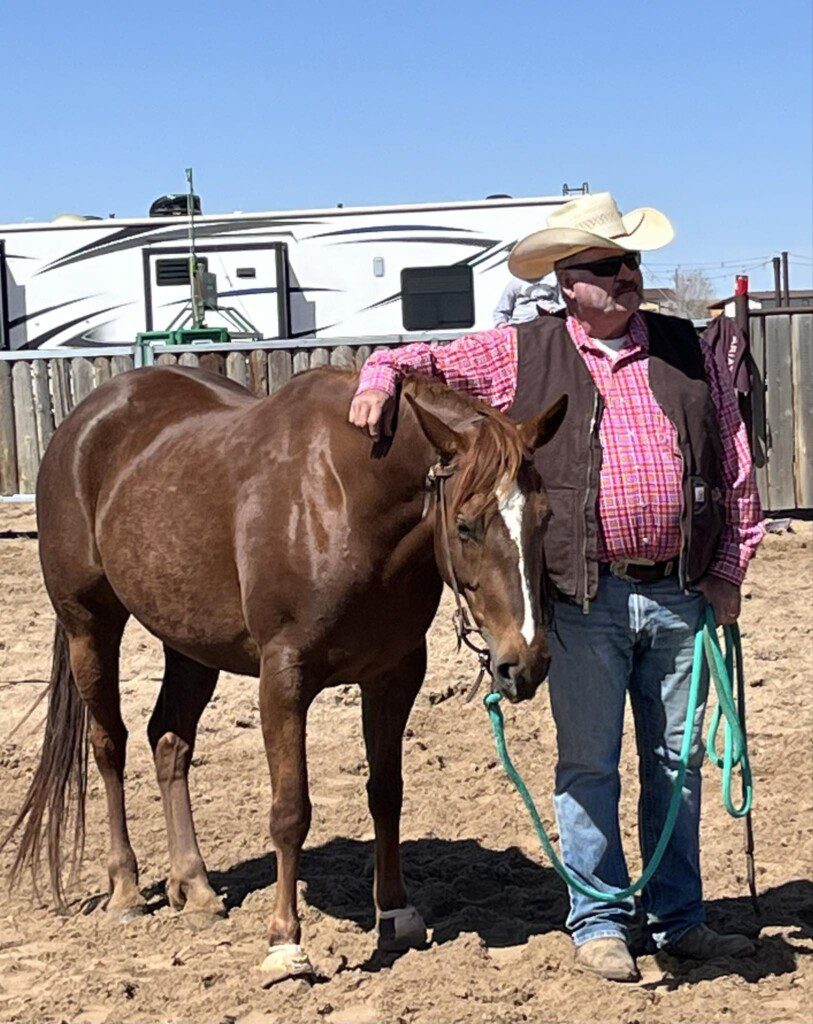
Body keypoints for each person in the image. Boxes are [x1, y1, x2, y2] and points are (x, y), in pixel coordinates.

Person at [348, 192, 764, 982]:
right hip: (583, 594)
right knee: (589, 765)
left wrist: (728, 568)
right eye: (606, 266)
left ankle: (678, 919)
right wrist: (376, 378)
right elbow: (412, 359)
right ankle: (600, 921)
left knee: (676, 765)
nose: (626, 276)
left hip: (680, 591)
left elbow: (734, 459)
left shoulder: (688, 348)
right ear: (567, 282)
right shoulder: (520, 351)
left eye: (629, 263)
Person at [493, 274, 561, 325]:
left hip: (550, 323)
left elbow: (563, 302)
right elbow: (501, 311)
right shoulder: (516, 281)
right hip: (522, 325)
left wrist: (556, 310)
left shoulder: (553, 279)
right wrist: (501, 324)